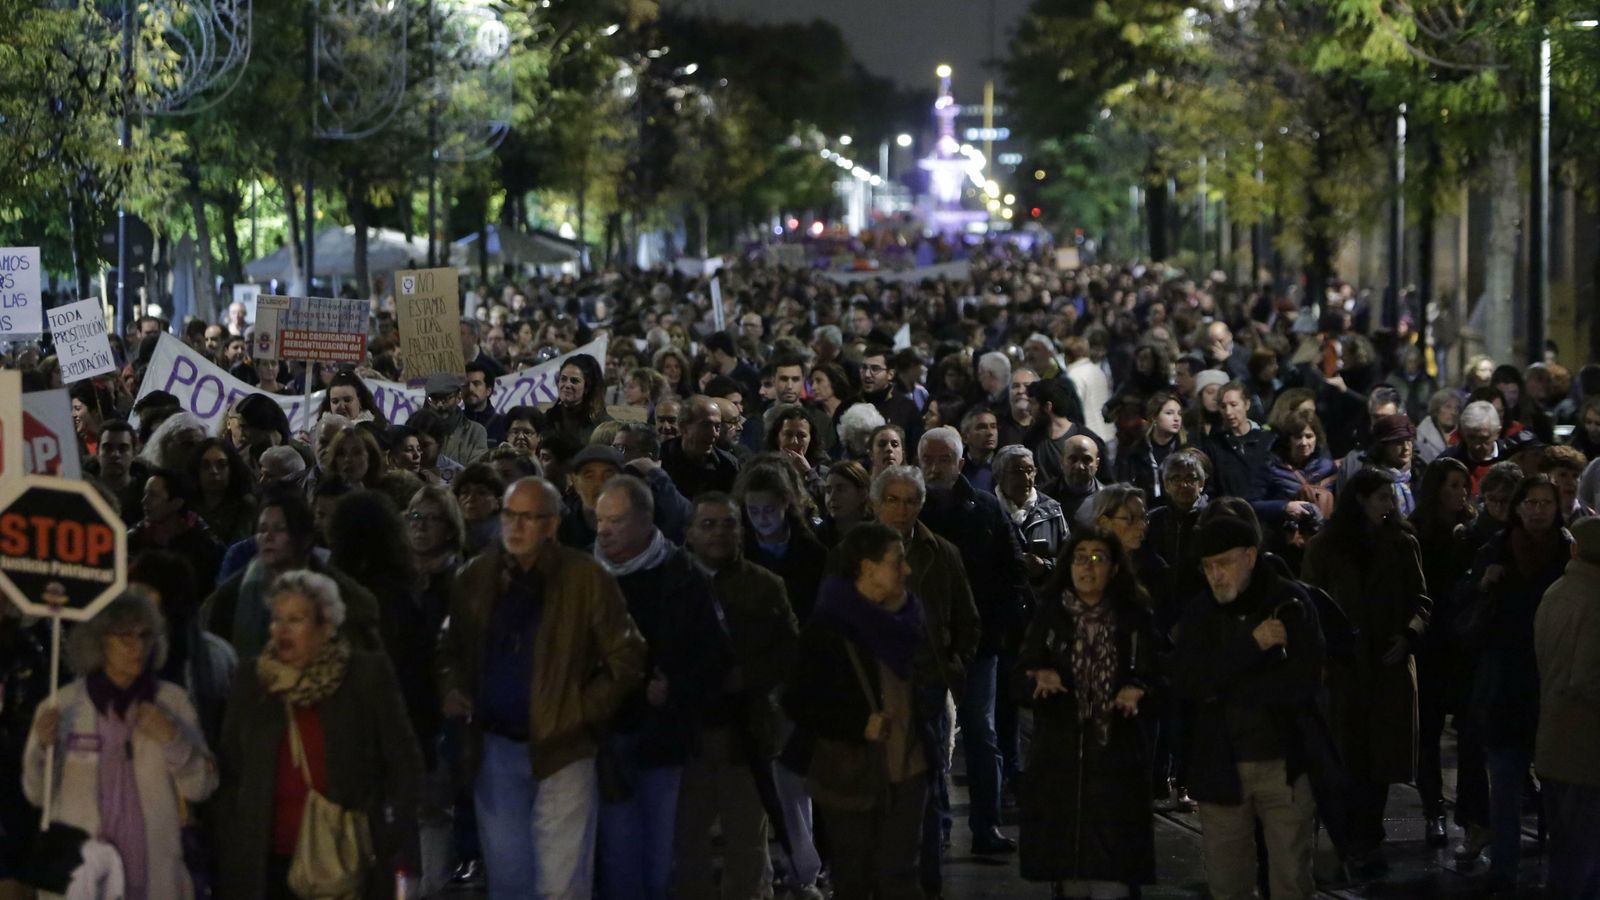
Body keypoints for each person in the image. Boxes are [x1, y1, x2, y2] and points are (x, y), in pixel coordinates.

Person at [436, 477, 648, 900]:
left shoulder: (585, 578)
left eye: (529, 518)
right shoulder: (475, 577)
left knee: (563, 884)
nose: (515, 527)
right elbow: (450, 647)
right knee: (509, 879)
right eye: (510, 515)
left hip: (565, 749)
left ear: (551, 524)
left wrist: (580, 710)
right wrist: (453, 687)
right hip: (496, 744)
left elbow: (627, 655)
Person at [216, 570, 423, 900]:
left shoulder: (365, 676)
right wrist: (230, 843)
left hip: (344, 857)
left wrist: (389, 836)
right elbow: (230, 770)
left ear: (326, 626)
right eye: (277, 619)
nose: (281, 630)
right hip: (268, 859)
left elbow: (404, 762)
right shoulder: (252, 680)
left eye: (295, 619)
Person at [782, 523, 942, 900]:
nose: (906, 570)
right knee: (855, 875)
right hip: (851, 773)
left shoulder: (909, 617)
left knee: (900, 874)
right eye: (897, 561)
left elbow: (928, 678)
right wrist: (857, 725)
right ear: (868, 568)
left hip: (909, 767)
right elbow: (799, 702)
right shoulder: (827, 629)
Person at [24, 591, 218, 900]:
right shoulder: (63, 705)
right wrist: (42, 751)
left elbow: (202, 788)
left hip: (155, 877)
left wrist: (173, 739)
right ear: (99, 640)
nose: (137, 647)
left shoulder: (172, 702)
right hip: (85, 878)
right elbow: (36, 794)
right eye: (124, 637)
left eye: (145, 635)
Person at [589, 475, 728, 900]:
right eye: (599, 520)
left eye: (615, 520)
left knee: (657, 855)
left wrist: (676, 689)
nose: (604, 530)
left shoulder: (682, 575)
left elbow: (715, 656)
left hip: (662, 739)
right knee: (618, 853)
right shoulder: (584, 575)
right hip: (603, 737)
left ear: (645, 520)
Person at [1172, 515, 1325, 900]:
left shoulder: (1288, 602)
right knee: (1227, 881)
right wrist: (1252, 647)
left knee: (1292, 878)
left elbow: (1301, 682)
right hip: (1221, 765)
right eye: (1208, 566)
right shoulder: (1201, 613)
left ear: (1251, 556)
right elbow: (1189, 682)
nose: (1215, 575)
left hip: (1283, 764)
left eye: (1224, 563)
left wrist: (1223, 683)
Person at [1300, 468, 1430, 875]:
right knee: (1348, 756)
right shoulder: (1326, 546)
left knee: (1382, 760)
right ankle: (1352, 838)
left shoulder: (1402, 543)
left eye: (1390, 498)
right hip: (1345, 667)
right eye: (1381, 498)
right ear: (1361, 499)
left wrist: (1408, 635)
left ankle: (1368, 836)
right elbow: (1311, 602)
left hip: (1387, 664)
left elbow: (1421, 599)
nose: (1389, 505)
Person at [1015, 527, 1157, 897]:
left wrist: (1138, 688)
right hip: (1063, 758)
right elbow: (1020, 676)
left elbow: (1161, 674)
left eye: (1098, 558)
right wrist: (1039, 678)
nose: (1088, 567)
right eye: (1080, 558)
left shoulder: (1134, 618)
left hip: (1116, 756)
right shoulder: (1051, 617)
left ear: (1114, 568)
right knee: (1071, 873)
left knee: (1114, 878)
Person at [677, 493, 801, 900]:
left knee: (746, 840)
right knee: (686, 842)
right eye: (708, 524)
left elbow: (789, 653)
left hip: (746, 730)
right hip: (685, 734)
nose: (719, 533)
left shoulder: (765, 587)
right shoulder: (670, 583)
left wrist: (747, 676)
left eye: (728, 524)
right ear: (689, 533)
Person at [1459, 474, 1574, 891]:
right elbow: (1464, 612)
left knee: (1559, 793)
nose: (1539, 510)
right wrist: (1482, 584)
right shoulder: (1496, 551)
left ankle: (1558, 872)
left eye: (1547, 502)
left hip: (1552, 685)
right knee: (1505, 787)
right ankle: (1504, 869)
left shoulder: (1569, 554)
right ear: (1519, 508)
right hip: (1506, 684)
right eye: (1532, 502)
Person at [871, 465, 980, 896]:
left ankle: (927, 880)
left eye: (910, 500)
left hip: (926, 685)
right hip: (873, 688)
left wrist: (952, 665)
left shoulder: (941, 553)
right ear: (877, 504)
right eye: (893, 500)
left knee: (929, 791)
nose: (902, 510)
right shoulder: (853, 553)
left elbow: (968, 619)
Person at [203, 486, 382, 659]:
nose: (268, 537)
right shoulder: (232, 595)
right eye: (263, 529)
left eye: (280, 529)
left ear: (304, 538)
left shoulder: (345, 596)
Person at [1408, 457, 1481, 848]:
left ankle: (1469, 812)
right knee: (1430, 732)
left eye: (1464, 485)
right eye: (1452, 485)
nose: (1460, 493)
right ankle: (1433, 809)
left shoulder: (1470, 530)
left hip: (1463, 644)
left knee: (1469, 730)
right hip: (1432, 644)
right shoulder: (1418, 531)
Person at [1533, 515, 1600, 898]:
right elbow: (1588, 680)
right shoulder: (1596, 602)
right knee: (1586, 864)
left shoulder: (1556, 592)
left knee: (1563, 854)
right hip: (1587, 753)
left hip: (1553, 740)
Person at [131, 467, 227, 590]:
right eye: (145, 494)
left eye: (153, 495)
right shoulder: (137, 535)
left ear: (176, 503)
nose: (144, 501)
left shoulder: (204, 545)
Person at [994, 444, 1070, 589]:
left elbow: (1070, 559)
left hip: (1043, 599)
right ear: (999, 476)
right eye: (1017, 471)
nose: (1026, 477)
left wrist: (1044, 566)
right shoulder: (988, 510)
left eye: (1030, 470)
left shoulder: (1052, 510)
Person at [661, 395, 741, 498]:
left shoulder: (728, 465)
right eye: (706, 425)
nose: (714, 433)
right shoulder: (660, 460)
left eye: (717, 427)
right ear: (684, 427)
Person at [1264, 408, 1338, 520]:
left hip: (1322, 532)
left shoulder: (1328, 467)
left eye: (1309, 436)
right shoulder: (1272, 467)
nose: (1304, 443)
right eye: (1298, 437)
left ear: (1316, 438)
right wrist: (1285, 506)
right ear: (1288, 440)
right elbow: (1253, 503)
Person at [1115, 392, 1185, 502]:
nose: (1177, 418)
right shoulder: (1135, 452)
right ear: (1154, 417)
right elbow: (1123, 488)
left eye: (1179, 413)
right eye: (1169, 413)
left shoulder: (1186, 451)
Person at [422, 374, 491, 466]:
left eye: (446, 398)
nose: (439, 405)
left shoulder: (475, 432)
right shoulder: (417, 430)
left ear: (459, 397)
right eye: (433, 399)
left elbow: (476, 470)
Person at [547, 354, 613, 444]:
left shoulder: (603, 425)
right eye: (563, 379)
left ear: (587, 387)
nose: (567, 385)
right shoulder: (549, 417)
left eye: (574, 381)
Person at [818, 459, 872, 548]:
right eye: (828, 491)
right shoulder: (817, 538)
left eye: (841, 489)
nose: (832, 497)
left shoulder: (878, 535)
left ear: (862, 494)